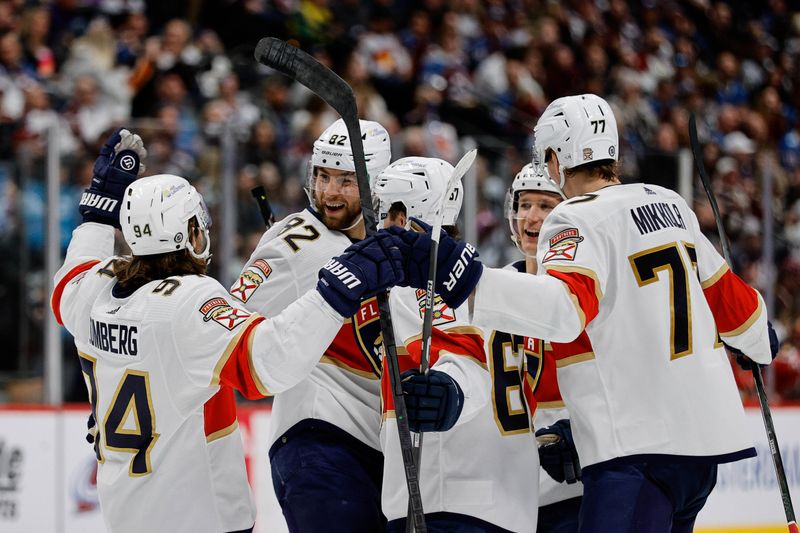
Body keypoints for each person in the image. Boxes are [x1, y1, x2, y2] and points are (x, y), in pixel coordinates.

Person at [383, 93, 779, 532]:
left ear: (556, 158)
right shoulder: (670, 204)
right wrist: (759, 341)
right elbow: (742, 315)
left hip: (636, 451)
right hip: (701, 456)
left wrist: (470, 280)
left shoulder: (574, 218)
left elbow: (565, 310)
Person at [51, 129, 403, 533]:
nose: (330, 190)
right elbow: (267, 364)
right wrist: (337, 289)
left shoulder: (95, 286)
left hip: (123, 509)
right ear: (191, 233)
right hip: (199, 512)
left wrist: (97, 215)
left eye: (345, 179)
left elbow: (69, 278)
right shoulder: (191, 302)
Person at [230, 118, 392, 532]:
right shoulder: (299, 240)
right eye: (322, 176)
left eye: (345, 180)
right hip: (319, 444)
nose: (329, 192)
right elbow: (229, 319)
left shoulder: (389, 241)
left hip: (378, 448)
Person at [376, 156, 530, 532]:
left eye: (383, 213)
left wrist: (452, 391)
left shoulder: (419, 282)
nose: (377, 227)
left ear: (403, 218)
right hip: (507, 498)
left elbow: (462, 355)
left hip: (445, 494)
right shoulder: (485, 284)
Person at [504, 163, 583, 532]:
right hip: (510, 495)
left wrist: (583, 431)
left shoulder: (585, 293)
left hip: (572, 491)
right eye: (525, 205)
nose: (531, 217)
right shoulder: (494, 288)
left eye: (546, 205)